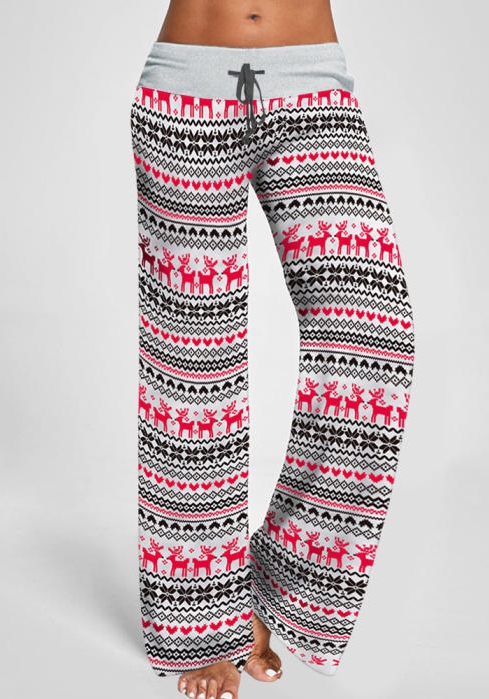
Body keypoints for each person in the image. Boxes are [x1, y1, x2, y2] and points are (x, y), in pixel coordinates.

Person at [130, 3, 416, 699]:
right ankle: (199, 621)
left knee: (373, 338)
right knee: (193, 365)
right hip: (186, 90)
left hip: (312, 85)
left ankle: (273, 587)